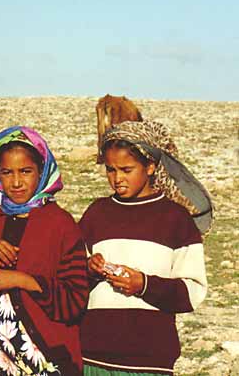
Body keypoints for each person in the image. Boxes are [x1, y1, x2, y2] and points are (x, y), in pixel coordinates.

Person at [79, 121, 211, 376]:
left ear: (150, 167)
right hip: (93, 357)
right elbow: (71, 277)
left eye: (127, 170)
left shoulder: (176, 220)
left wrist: (144, 285)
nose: (117, 179)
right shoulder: (97, 214)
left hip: (149, 360)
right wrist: (90, 269)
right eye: (110, 170)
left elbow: (193, 291)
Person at [0, 126, 88, 376]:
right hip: (3, 359)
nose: (17, 181)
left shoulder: (61, 225)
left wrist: (23, 281)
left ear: (42, 171)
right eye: (7, 172)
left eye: (26, 171)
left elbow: (75, 300)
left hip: (51, 355)